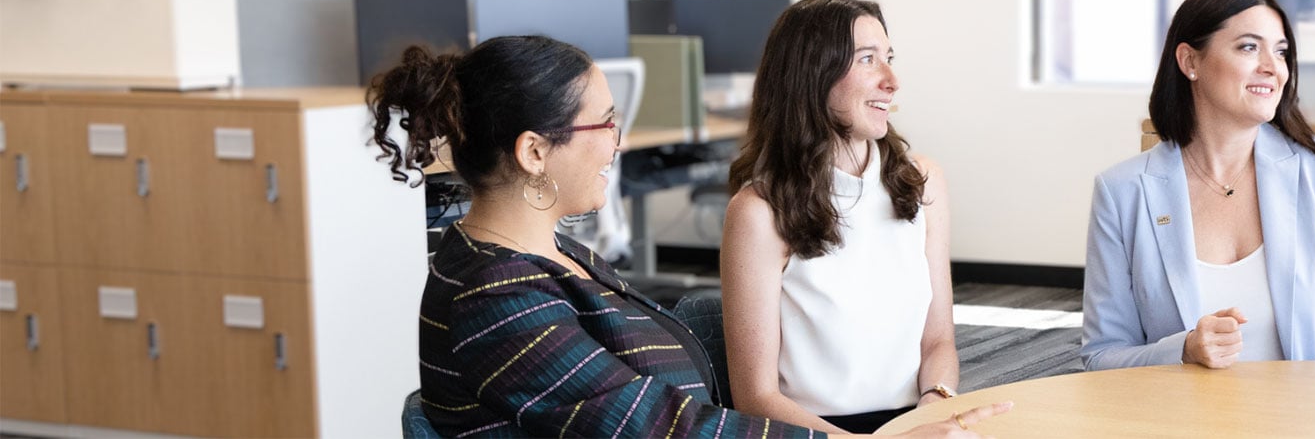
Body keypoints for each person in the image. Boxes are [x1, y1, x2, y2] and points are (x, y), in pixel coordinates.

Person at [368, 35, 1006, 438]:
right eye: (606, 123)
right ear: (536, 151)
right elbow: (658, 424)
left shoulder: (547, 254)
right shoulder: (494, 296)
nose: (618, 141)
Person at [1080, 0, 1315, 372]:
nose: (1272, 67)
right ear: (1189, 62)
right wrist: (1183, 349)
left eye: (1280, 52)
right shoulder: (1122, 192)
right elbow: (1101, 356)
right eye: (1249, 47)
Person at [719, 0, 960, 435]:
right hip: (812, 431)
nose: (892, 80)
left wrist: (934, 406)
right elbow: (756, 397)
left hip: (917, 421)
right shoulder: (757, 212)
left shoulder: (924, 182)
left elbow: (938, 341)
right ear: (813, 77)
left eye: (888, 58)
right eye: (868, 60)